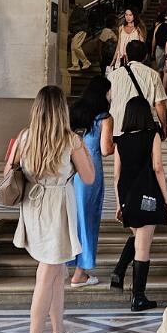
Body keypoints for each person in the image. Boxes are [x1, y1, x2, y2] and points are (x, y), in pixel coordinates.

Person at [5, 85, 95, 333]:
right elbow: (89, 177)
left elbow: (9, 170)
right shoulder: (70, 140)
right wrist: (83, 150)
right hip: (56, 209)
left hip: (33, 205)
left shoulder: (25, 136)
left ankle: (58, 332)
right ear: (61, 111)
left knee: (57, 271)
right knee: (47, 272)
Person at [114, 95, 167, 310]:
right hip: (147, 196)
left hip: (127, 197)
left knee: (138, 237)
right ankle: (138, 297)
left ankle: (119, 271)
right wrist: (166, 199)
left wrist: (119, 203)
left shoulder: (120, 140)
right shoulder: (152, 136)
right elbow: (158, 167)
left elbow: (116, 176)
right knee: (143, 247)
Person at [68, 76, 114, 289]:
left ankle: (67, 264)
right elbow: (105, 149)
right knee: (89, 218)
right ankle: (80, 273)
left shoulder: (75, 112)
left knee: (73, 218)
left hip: (71, 170)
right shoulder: (105, 118)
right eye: (109, 92)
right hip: (90, 170)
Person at [109, 41, 167, 141]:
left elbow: (107, 102)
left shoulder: (112, 76)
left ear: (126, 56)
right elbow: (159, 104)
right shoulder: (153, 75)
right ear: (145, 56)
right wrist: (164, 127)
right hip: (143, 128)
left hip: (117, 128)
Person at [68, 0, 90, 72]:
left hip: (80, 30)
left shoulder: (79, 10)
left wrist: (73, 23)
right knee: (73, 47)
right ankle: (75, 65)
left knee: (76, 46)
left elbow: (83, 20)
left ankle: (85, 62)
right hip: (77, 30)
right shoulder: (76, 10)